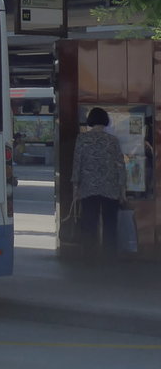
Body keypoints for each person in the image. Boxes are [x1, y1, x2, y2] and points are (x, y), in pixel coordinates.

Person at [71, 107, 127, 260]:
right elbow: (120, 166)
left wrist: (76, 187)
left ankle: (89, 257)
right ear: (105, 121)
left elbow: (77, 164)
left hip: (88, 188)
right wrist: (122, 190)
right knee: (110, 224)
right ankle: (109, 257)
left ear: (91, 120)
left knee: (89, 224)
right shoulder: (113, 141)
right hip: (110, 188)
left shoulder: (82, 139)